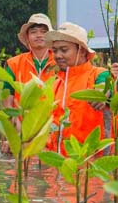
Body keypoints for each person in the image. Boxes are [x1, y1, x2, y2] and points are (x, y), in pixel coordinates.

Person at [45, 22, 109, 154]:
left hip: (88, 163)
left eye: (64, 50)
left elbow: (106, 88)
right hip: (54, 163)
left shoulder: (99, 74)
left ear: (82, 51)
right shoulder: (54, 83)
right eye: (55, 50)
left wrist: (102, 95)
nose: (57, 55)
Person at [5, 13, 56, 103]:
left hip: (53, 116)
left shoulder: (60, 63)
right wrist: (12, 116)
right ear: (27, 37)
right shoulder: (14, 64)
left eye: (43, 32)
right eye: (33, 32)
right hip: (23, 116)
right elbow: (7, 97)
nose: (39, 35)